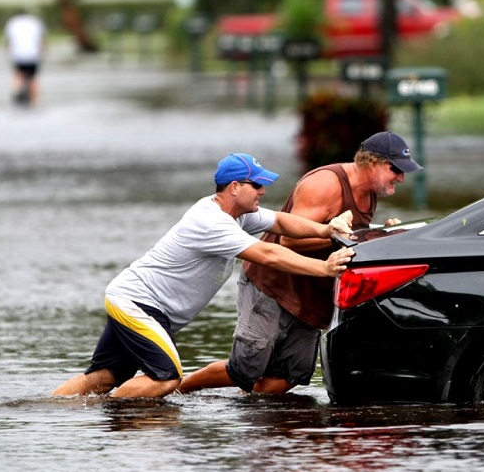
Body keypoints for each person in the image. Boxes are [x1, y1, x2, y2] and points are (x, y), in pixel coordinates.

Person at [52, 153, 356, 398]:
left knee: (104, 378)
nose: (263, 191)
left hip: (136, 301)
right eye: (257, 185)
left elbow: (281, 222)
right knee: (166, 378)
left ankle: (49, 410)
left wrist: (326, 229)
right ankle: (112, 422)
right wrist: (324, 268)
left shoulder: (237, 214)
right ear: (235, 187)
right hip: (137, 302)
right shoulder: (211, 221)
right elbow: (268, 254)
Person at [178, 131, 422, 396]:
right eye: (395, 169)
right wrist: (353, 237)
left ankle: (247, 415)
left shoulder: (369, 191)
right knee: (245, 368)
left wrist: (379, 234)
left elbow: (351, 237)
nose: (401, 177)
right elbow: (289, 242)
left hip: (310, 290)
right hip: (272, 284)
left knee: (289, 376)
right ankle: (178, 389)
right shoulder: (325, 184)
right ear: (372, 163)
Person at [4, 8, 47, 107]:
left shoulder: (12, 23)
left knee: (19, 74)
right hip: (33, 54)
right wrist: (43, 51)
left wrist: (7, 52)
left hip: (18, 54)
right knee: (33, 77)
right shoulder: (35, 22)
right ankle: (35, 101)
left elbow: (8, 40)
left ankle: (17, 90)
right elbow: (41, 39)